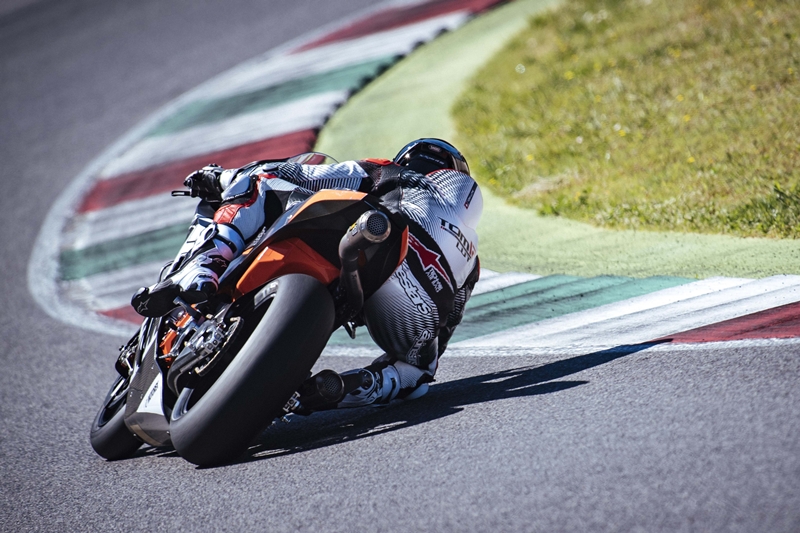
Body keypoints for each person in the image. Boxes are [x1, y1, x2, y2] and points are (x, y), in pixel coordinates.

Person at [132, 138, 483, 409]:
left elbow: (303, 175)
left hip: (379, 238)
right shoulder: (471, 261)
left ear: (412, 160)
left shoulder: (393, 172)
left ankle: (207, 263)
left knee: (260, 179)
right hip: (415, 309)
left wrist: (220, 177)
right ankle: (335, 391)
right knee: (416, 376)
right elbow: (445, 330)